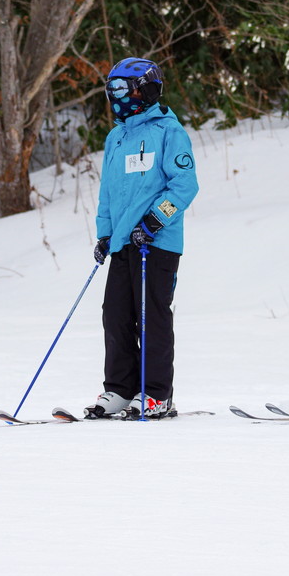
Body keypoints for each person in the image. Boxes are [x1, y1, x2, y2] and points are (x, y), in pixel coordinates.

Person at [86, 57, 199, 420]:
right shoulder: (116, 137)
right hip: (122, 242)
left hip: (156, 243)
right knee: (115, 315)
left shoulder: (169, 131)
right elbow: (107, 192)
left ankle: (156, 393)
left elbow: (184, 185)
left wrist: (154, 220)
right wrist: (105, 234)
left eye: (122, 88)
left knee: (152, 317)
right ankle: (120, 388)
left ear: (145, 90)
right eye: (111, 89)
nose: (116, 96)